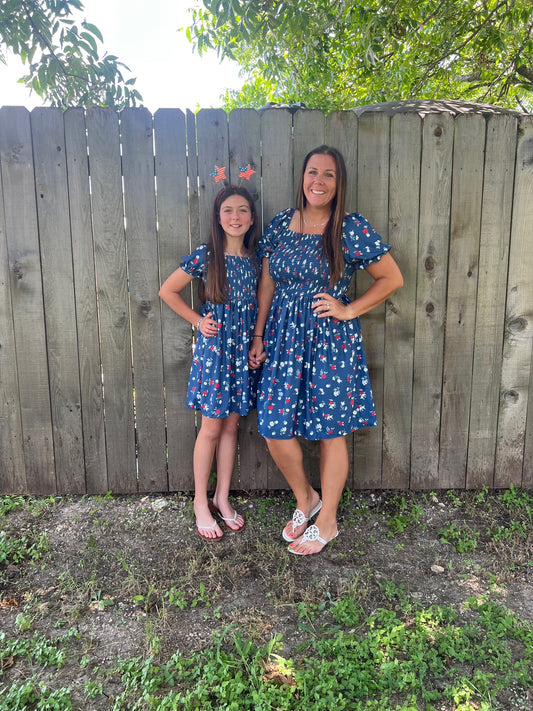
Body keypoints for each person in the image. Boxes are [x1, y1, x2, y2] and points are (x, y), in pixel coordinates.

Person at [249, 145, 403, 556]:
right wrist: (259, 335)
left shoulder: (349, 227)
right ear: (302, 177)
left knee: (331, 431)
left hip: (329, 340)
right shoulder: (283, 223)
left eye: (329, 175)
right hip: (282, 338)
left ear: (339, 183)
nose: (319, 181)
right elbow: (267, 284)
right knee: (273, 428)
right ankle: (307, 498)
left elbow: (391, 277)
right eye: (313, 172)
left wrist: (348, 308)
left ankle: (329, 519)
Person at [159, 186, 260, 541]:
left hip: (243, 352)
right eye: (228, 210)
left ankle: (222, 496)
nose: (236, 217)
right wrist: (197, 320)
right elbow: (167, 290)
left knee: (232, 427)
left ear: (251, 217)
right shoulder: (207, 256)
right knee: (212, 428)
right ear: (218, 218)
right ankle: (200, 501)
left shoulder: (255, 257)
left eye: (243, 210)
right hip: (216, 353)